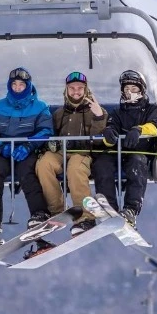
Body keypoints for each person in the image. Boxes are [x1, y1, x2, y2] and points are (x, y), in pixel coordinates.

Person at [0, 67, 53, 235]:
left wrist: (28, 146)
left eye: (21, 85)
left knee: (26, 171)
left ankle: (39, 213)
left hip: (27, 151)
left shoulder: (40, 107)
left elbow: (45, 131)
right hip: (4, 151)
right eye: (14, 84)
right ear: (9, 86)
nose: (17, 88)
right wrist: (1, 147)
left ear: (28, 86)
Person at [35, 71, 107, 236]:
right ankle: (56, 209)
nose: (76, 91)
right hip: (62, 151)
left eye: (80, 88)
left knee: (75, 168)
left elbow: (99, 139)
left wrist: (98, 116)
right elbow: (52, 135)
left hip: (83, 153)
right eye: (72, 88)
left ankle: (85, 217)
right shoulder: (60, 113)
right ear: (66, 90)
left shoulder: (96, 111)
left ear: (85, 89)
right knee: (44, 163)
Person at [92, 70, 157, 229]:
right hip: (118, 154)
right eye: (126, 89)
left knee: (136, 163)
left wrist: (139, 130)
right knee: (102, 163)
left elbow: (155, 127)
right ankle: (109, 208)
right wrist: (108, 135)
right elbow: (110, 128)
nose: (130, 93)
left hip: (139, 154)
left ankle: (131, 209)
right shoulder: (118, 113)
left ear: (142, 90)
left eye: (134, 89)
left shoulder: (151, 110)